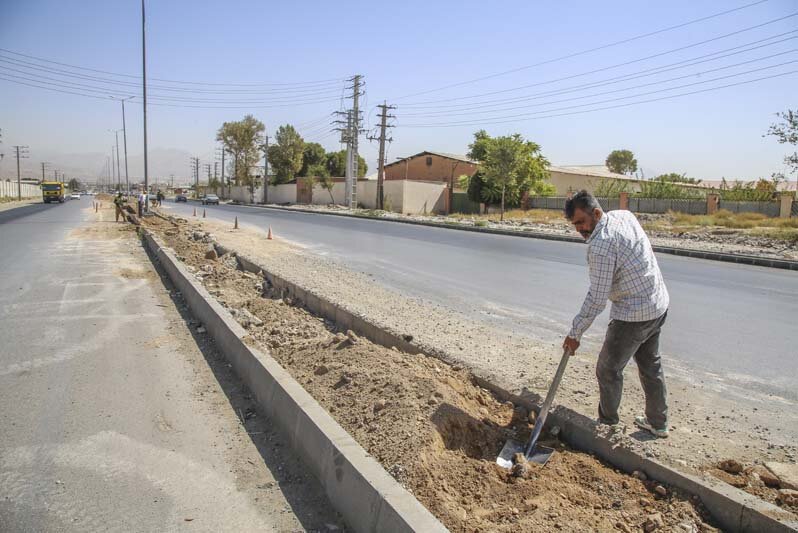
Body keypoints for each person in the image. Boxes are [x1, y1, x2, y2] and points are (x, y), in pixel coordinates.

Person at [563, 191, 670, 438]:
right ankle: (658, 422)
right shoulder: (623, 215)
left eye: (581, 222)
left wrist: (575, 333)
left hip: (633, 315)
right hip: (657, 303)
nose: (579, 229)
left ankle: (607, 424)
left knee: (608, 369)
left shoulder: (600, 246)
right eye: (574, 225)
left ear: (597, 214)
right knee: (650, 363)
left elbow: (597, 298)